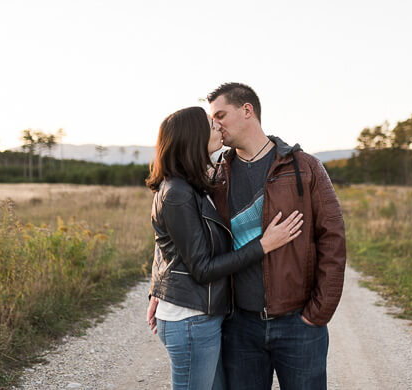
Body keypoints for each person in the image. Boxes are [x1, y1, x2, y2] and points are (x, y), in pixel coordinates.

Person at [146, 106, 304, 390]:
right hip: (191, 319)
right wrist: (264, 245)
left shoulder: (193, 185)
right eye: (211, 124)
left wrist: (157, 287)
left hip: (199, 316)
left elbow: (168, 247)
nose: (218, 127)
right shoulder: (178, 193)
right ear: (194, 138)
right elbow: (202, 268)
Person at [208, 83, 346, 390]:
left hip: (298, 324)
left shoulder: (304, 166)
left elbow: (332, 240)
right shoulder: (218, 175)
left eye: (220, 115)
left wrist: (318, 313)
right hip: (239, 325)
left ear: (247, 110)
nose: (215, 125)